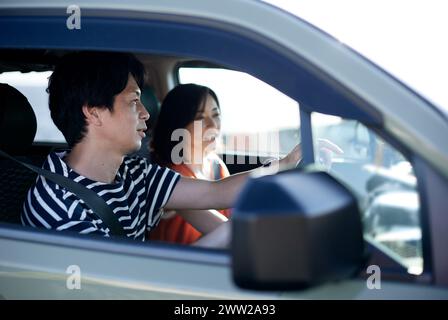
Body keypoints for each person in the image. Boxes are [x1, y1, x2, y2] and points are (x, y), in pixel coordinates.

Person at [21, 51, 301, 248]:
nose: (146, 114)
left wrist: (288, 163)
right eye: (134, 103)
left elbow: (216, 192)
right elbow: (118, 287)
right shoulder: (58, 206)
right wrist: (231, 233)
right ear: (94, 113)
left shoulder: (134, 173)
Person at [148, 84, 231, 245]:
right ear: (179, 124)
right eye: (200, 118)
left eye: (216, 115)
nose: (213, 125)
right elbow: (227, 230)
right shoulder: (171, 179)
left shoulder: (216, 166)